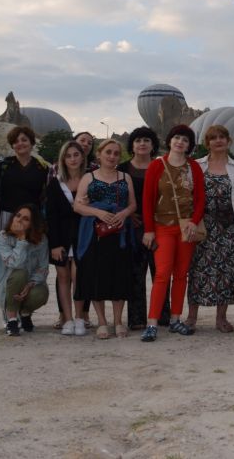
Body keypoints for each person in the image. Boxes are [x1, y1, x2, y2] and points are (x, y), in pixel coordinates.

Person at [140, 125, 206, 342]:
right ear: (170, 140)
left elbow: (200, 199)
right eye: (177, 137)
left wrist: (195, 222)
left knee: (181, 275)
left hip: (186, 227)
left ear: (189, 145)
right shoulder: (157, 166)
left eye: (185, 140)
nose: (180, 142)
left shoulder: (194, 167)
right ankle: (152, 323)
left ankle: (176, 319)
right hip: (163, 227)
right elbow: (147, 201)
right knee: (162, 274)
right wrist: (149, 230)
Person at [188, 125, 234, 333]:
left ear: (228, 141)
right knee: (198, 270)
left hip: (228, 226)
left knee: (226, 272)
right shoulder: (197, 165)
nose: (218, 141)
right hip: (203, 226)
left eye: (222, 137)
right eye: (213, 138)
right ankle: (191, 317)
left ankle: (221, 318)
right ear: (207, 143)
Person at [72, 139, 137, 339]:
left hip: (119, 233)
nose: (112, 156)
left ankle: (118, 321)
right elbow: (77, 206)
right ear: (99, 154)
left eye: (116, 153)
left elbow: (133, 204)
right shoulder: (88, 177)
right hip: (95, 233)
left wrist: (124, 214)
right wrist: (97, 213)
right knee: (96, 276)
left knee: (119, 275)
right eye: (108, 152)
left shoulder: (125, 177)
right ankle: (102, 321)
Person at [119, 126, 167, 330]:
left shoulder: (162, 167)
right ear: (132, 145)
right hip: (131, 228)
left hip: (158, 225)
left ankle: (162, 317)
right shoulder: (122, 169)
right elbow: (116, 196)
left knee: (161, 273)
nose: (142, 144)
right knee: (135, 274)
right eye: (138, 140)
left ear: (152, 145)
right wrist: (129, 214)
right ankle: (137, 319)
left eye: (146, 140)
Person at [45, 140, 86, 335]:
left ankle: (80, 318)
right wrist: (54, 244)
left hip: (82, 235)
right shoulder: (55, 183)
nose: (72, 159)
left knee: (79, 276)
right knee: (63, 277)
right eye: (68, 156)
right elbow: (50, 215)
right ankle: (67, 319)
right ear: (63, 159)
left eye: (76, 155)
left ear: (82, 157)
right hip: (61, 236)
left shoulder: (90, 180)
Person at [0, 204, 50, 336]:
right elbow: (15, 264)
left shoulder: (41, 240)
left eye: (25, 219)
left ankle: (25, 313)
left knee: (41, 293)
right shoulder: (1, 237)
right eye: (18, 216)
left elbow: (43, 268)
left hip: (29, 285)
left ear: (32, 224)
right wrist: (22, 239)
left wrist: (30, 285)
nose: (19, 220)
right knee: (20, 273)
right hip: (7, 287)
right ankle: (11, 319)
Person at [0, 125, 48, 232]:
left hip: (32, 217)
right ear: (12, 145)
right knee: (6, 247)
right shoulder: (4, 165)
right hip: (7, 215)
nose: (20, 143)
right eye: (16, 141)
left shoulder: (42, 167)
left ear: (32, 143)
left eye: (24, 140)